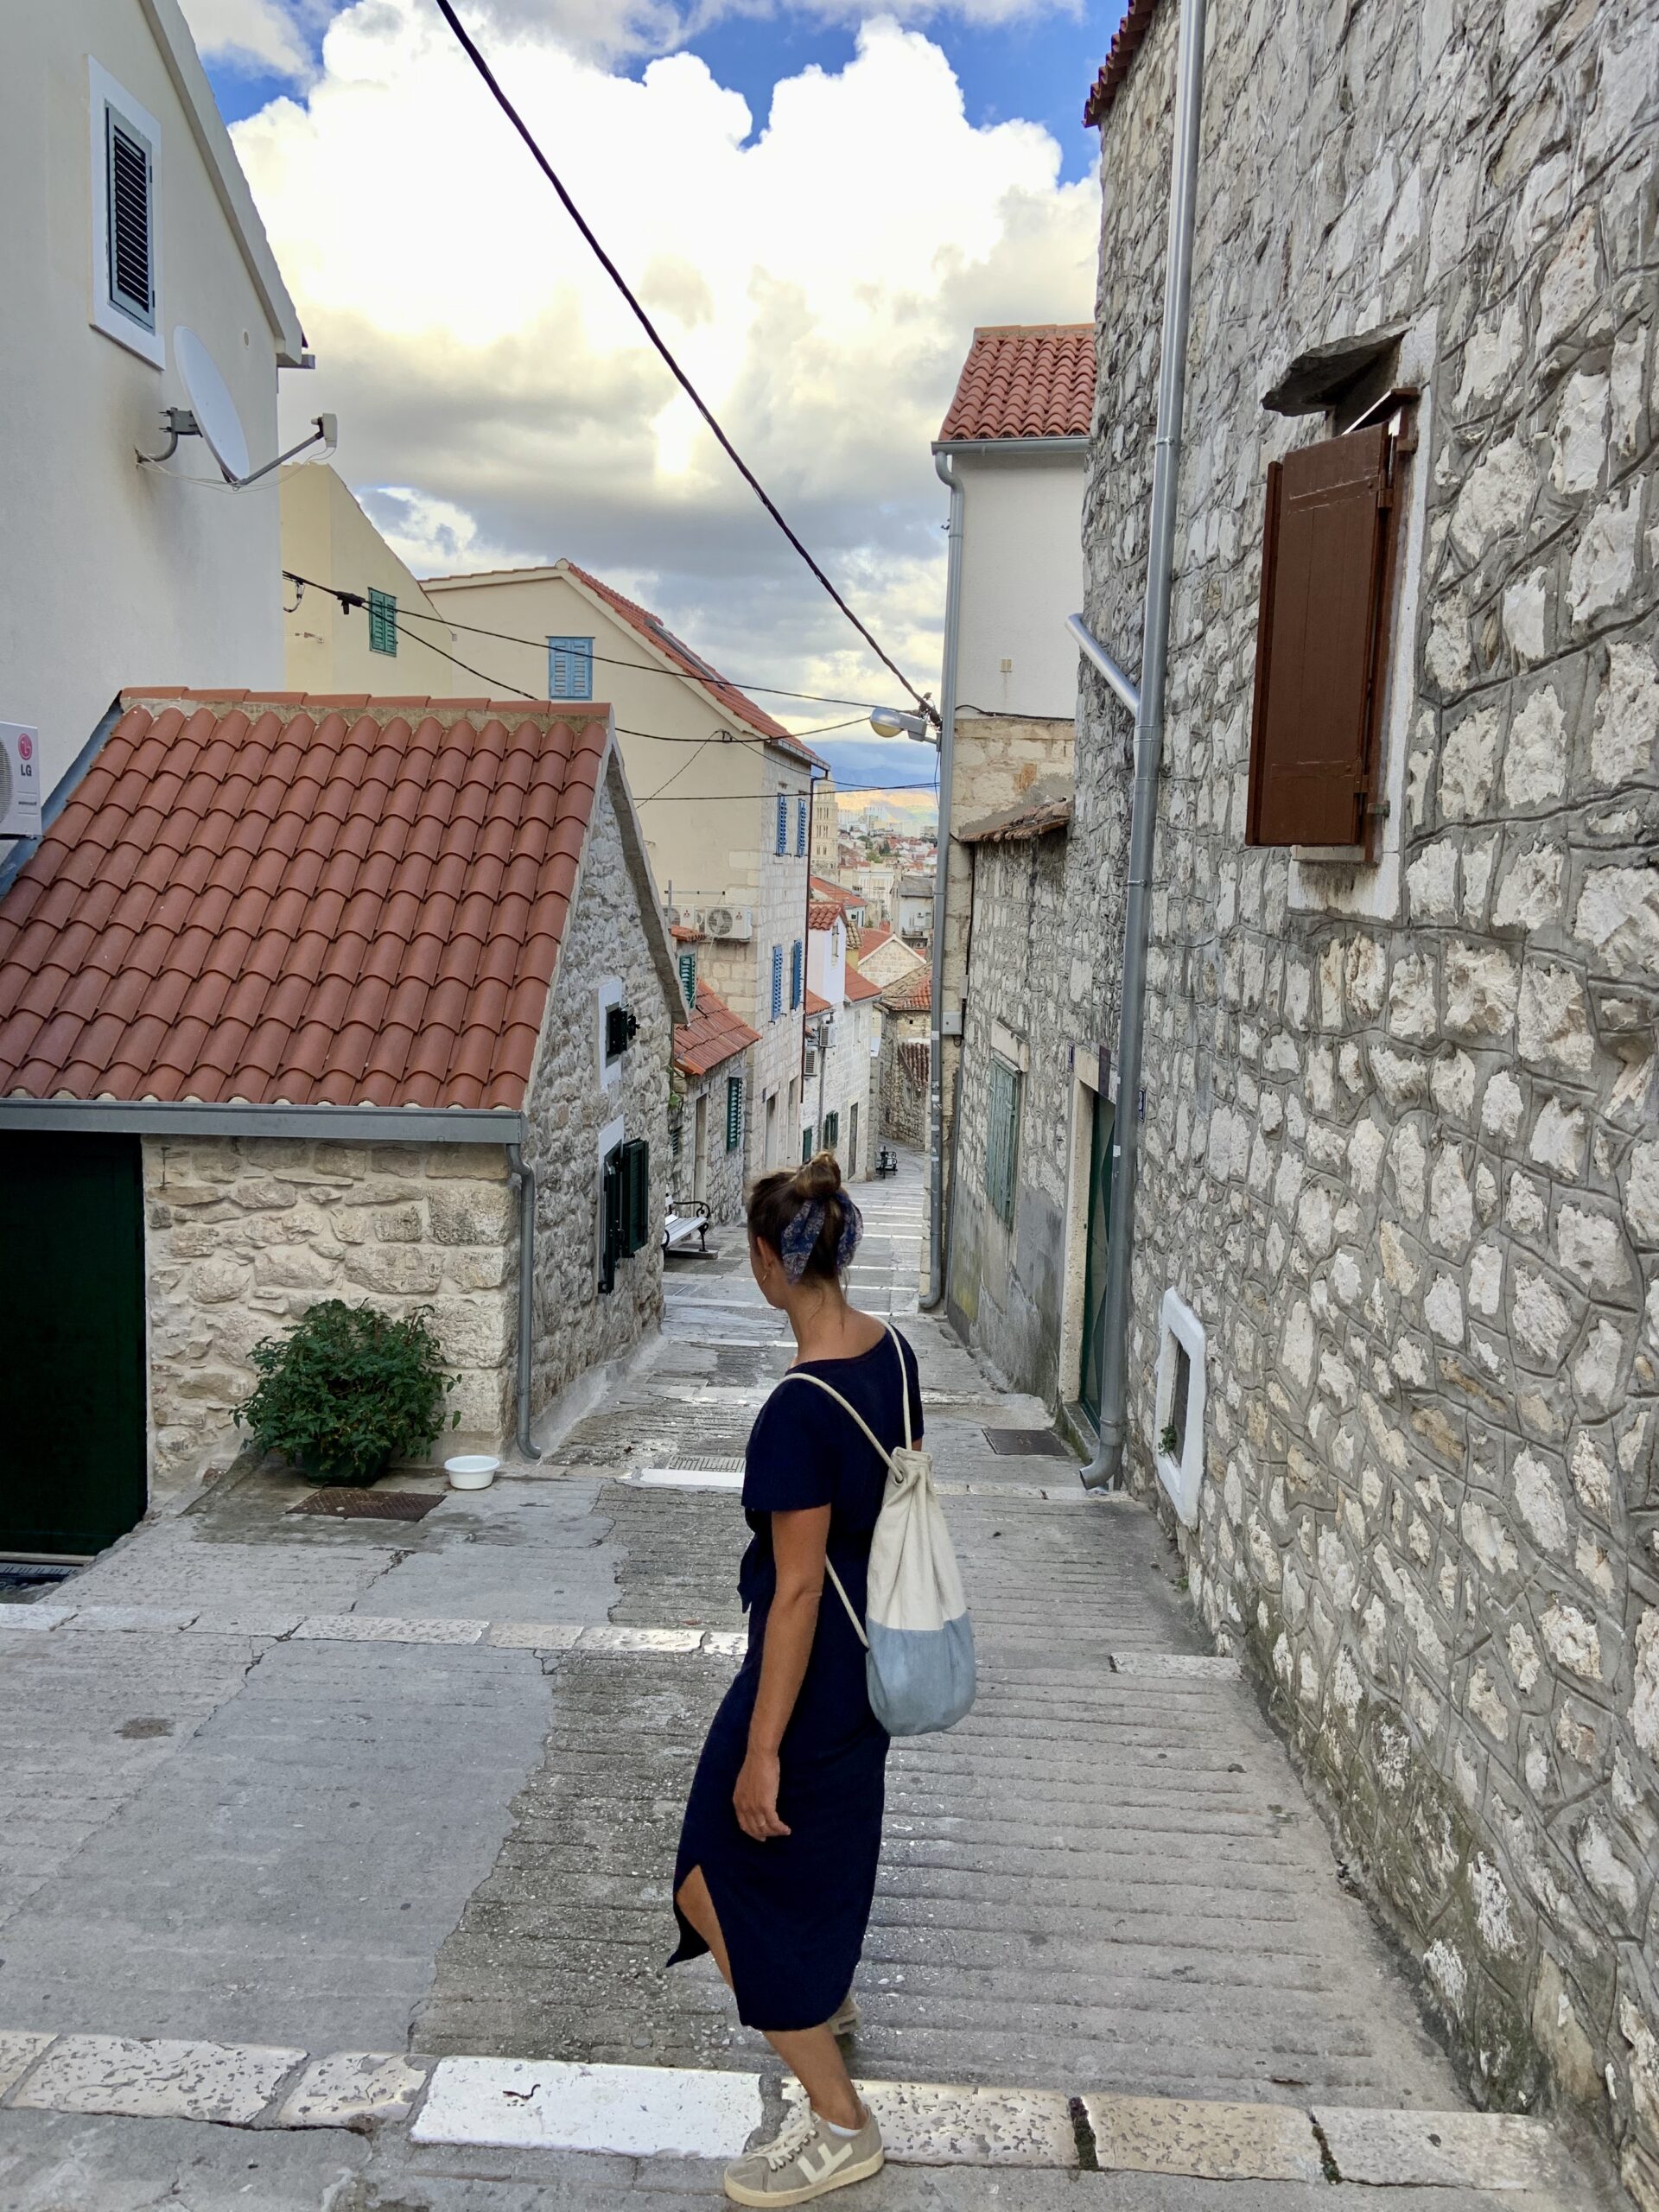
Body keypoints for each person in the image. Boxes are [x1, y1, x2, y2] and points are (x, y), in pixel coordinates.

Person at [670, 1151, 922, 2206]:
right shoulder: (893, 1355)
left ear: (771, 1262)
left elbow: (797, 1592)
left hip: (811, 1678)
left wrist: (761, 1746)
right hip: (876, 1662)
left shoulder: (799, 1408)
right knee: (820, 1850)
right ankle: (834, 2003)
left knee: (714, 1876)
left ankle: (838, 2120)